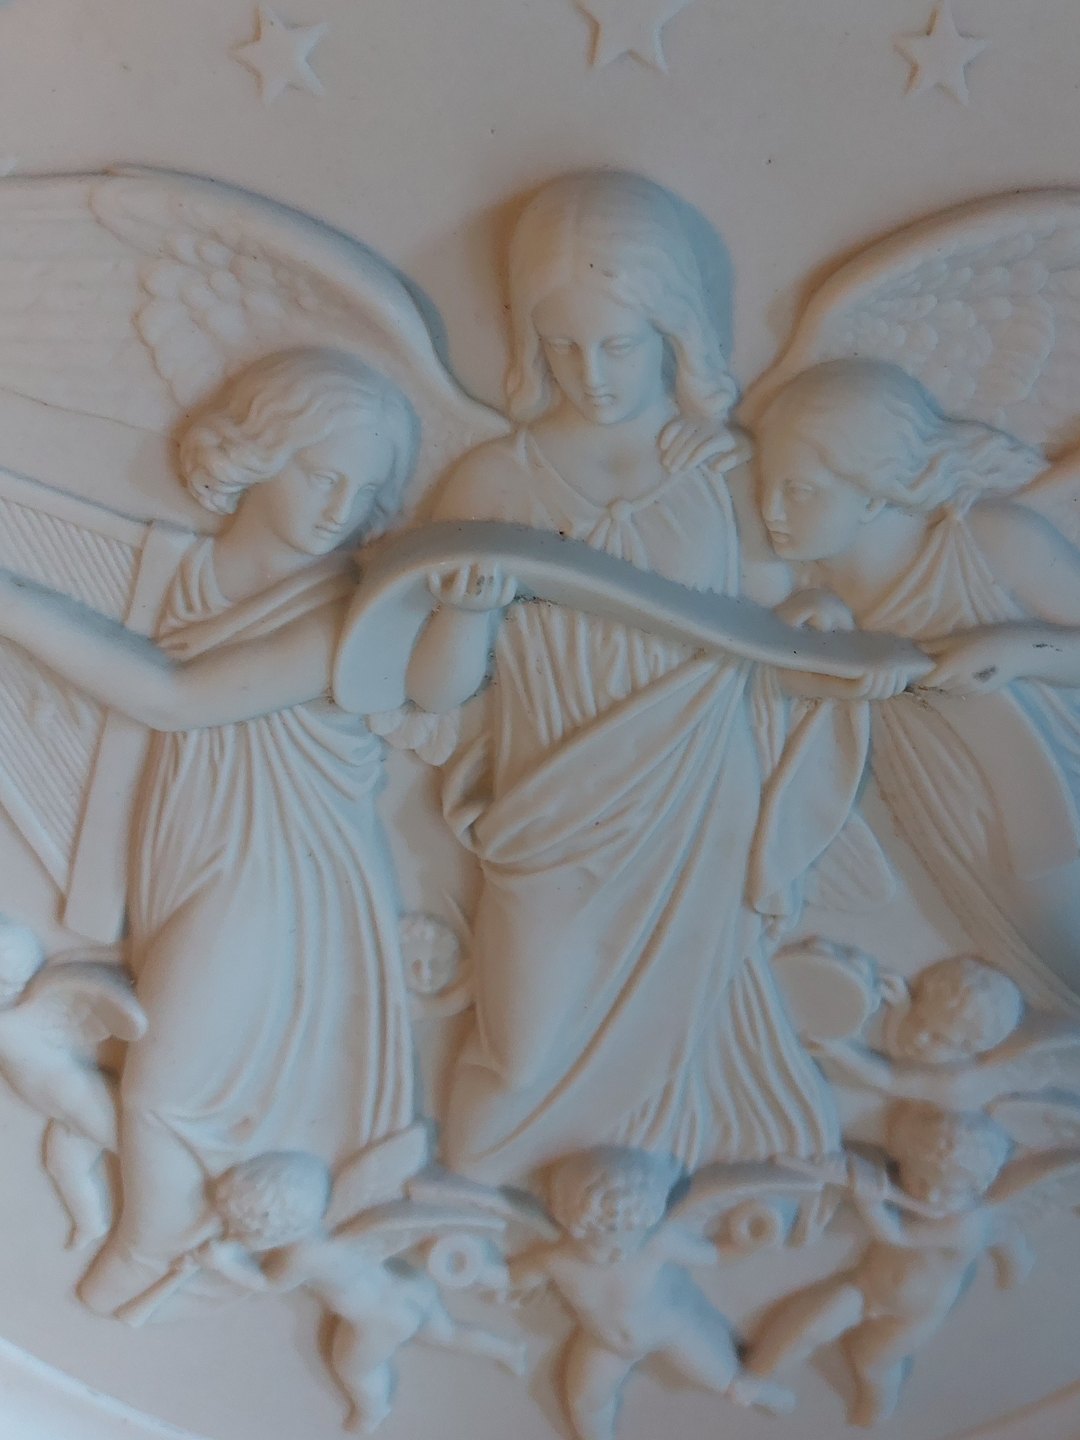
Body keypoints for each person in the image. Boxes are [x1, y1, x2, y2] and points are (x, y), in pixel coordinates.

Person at [406, 170, 837, 1182]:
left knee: (686, 1008)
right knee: (519, 1049)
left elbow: (784, 627)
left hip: (694, 796)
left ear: (673, 332)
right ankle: (494, 1181)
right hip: (546, 809)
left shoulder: (724, 476)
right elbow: (432, 692)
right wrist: (465, 611)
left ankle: (645, 1187)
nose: (592, 374)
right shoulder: (493, 480)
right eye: (562, 346)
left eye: (619, 344)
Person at [0, 347, 420, 1312]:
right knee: (180, 1059)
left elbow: (173, 695)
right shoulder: (175, 572)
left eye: (363, 492)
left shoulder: (347, 615)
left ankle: (150, 1241)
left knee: (169, 1077)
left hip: (280, 866)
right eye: (320, 475)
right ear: (256, 450)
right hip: (189, 843)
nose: (339, 509)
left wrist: (14, 605)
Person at [753, 357, 1080, 1015]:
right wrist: (807, 649)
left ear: (874, 492)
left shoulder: (989, 541)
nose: (771, 511)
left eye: (800, 490)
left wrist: (1017, 649)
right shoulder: (813, 599)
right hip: (948, 816)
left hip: (1050, 791)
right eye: (765, 486)